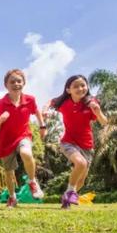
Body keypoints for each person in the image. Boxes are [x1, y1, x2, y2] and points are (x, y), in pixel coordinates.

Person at [44, 75, 108, 209]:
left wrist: (98, 111)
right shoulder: (64, 102)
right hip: (68, 142)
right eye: (76, 86)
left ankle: (66, 198)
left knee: (81, 181)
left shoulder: (91, 103)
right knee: (80, 163)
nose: (80, 88)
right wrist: (44, 110)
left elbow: (104, 122)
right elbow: (50, 101)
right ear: (68, 90)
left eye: (83, 85)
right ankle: (71, 192)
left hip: (87, 146)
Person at [0, 69, 46, 208]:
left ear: (24, 83)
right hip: (6, 140)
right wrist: (0, 120)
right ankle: (12, 198)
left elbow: (36, 111)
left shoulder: (30, 100)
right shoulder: (1, 103)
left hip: (23, 135)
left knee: (26, 153)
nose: (16, 84)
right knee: (9, 172)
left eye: (19, 81)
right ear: (6, 85)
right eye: (12, 81)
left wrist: (42, 126)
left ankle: (32, 182)